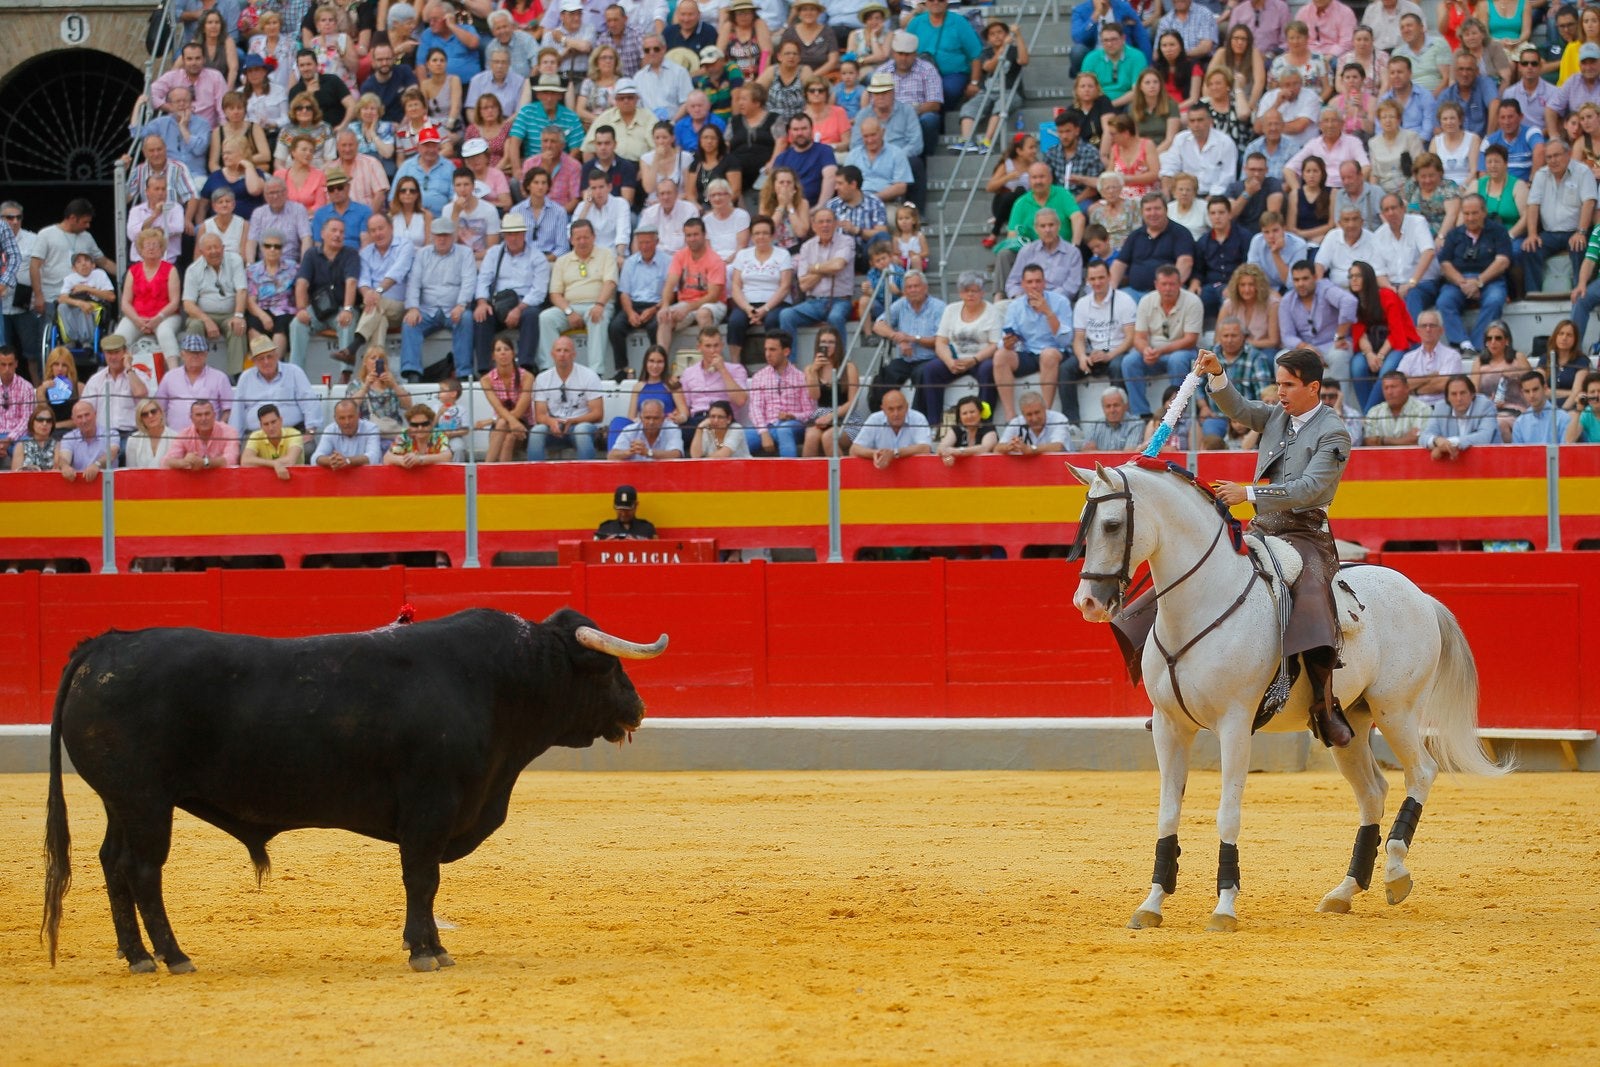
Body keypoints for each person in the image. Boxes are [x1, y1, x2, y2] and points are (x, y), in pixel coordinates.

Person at [1197, 345, 1354, 748]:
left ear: (1313, 387)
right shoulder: (1277, 415)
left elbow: (1310, 488)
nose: (1279, 392)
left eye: (1288, 385)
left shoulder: (1333, 431)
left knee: (1312, 593)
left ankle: (1323, 702)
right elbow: (1240, 409)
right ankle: (1177, 686)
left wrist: (1248, 492)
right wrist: (1217, 373)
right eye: (1278, 383)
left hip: (1306, 533)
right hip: (1264, 527)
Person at [1420, 194, 1511, 354]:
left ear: (1484, 212)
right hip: (1458, 281)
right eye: (1466, 213)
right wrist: (1463, 283)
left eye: (1474, 213)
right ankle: (1463, 343)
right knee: (1444, 302)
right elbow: (1445, 263)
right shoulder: (1454, 234)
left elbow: (1502, 261)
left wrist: (1478, 281)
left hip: (1490, 280)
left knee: (1495, 299)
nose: (1470, 218)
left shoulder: (1498, 231)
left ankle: (1479, 345)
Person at [988, 264, 1072, 423]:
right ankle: (1010, 417)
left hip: (1055, 351)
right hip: (1028, 352)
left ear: (1044, 283)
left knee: (1048, 354)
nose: (1034, 285)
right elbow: (1007, 337)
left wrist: (1047, 312)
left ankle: (1046, 414)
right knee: (1000, 356)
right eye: (1030, 282)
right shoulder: (1015, 306)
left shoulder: (1060, 302)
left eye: (1038, 281)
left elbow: (1066, 340)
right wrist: (1008, 344)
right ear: (1023, 284)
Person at [400, 216, 478, 381]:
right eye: (438, 235)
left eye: (446, 235)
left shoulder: (465, 253)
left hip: (454, 308)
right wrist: (413, 307)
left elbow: (469, 281)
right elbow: (413, 283)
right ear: (432, 236)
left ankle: (463, 373)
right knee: (409, 322)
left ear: (454, 236)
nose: (442, 239)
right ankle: (412, 372)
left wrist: (462, 304)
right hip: (428, 309)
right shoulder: (422, 254)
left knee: (466, 318)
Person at [471, 215, 548, 375]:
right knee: (481, 315)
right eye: (510, 234)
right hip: (499, 304)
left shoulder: (537, 257)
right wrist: (482, 302)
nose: (513, 238)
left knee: (532, 315)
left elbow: (539, 291)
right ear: (504, 235)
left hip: (525, 304)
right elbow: (483, 280)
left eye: (517, 233)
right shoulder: (493, 253)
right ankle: (484, 370)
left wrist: (519, 309)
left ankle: (526, 367)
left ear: (524, 234)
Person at [1124, 265, 1201, 422]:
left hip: (1183, 351)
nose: (1168, 289)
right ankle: (1142, 415)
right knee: (1129, 361)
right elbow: (1138, 337)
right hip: (1154, 353)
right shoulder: (1146, 301)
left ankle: (1178, 412)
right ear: (1156, 285)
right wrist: (1146, 350)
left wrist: (1160, 351)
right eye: (1164, 284)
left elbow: (1190, 339)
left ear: (1180, 284)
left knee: (1177, 359)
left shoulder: (1193, 301)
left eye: (1172, 284)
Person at [1065, 260, 1138, 427]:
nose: (1097, 283)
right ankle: (1072, 423)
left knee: (1118, 366)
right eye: (1093, 279)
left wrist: (1110, 355)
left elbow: (1130, 337)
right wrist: (1082, 357)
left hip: (1118, 351)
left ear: (1109, 277)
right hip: (1093, 353)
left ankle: (1121, 420)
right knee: (1065, 369)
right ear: (1087, 281)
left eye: (1101, 278)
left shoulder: (1125, 300)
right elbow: (1078, 338)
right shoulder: (1082, 304)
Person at [539, 219, 618, 372]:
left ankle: (597, 371)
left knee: (596, 316)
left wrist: (599, 305)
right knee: (546, 318)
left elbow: (610, 283)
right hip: (571, 306)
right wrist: (569, 312)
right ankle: (549, 369)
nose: (582, 242)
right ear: (571, 240)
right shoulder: (562, 261)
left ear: (594, 237)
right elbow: (555, 294)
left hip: (598, 304)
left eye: (586, 237)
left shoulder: (606, 255)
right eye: (578, 238)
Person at [1521, 139, 1597, 295]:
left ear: (1568, 154)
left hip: (1575, 231)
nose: (1553, 160)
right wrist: (1532, 234)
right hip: (1550, 233)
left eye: (1557, 155)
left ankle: (1579, 292)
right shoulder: (1541, 175)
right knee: (1530, 249)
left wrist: (1581, 232)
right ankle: (1534, 295)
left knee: (1579, 246)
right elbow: (1533, 205)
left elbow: (1589, 203)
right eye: (1549, 157)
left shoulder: (1583, 171)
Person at [869, 269, 947, 416]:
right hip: (906, 359)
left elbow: (940, 339)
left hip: (931, 359)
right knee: (889, 371)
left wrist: (912, 339)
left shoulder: (939, 307)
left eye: (916, 286)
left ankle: (920, 420)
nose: (913, 290)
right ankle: (882, 416)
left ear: (925, 287)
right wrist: (897, 336)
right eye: (909, 287)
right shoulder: (901, 304)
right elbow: (878, 324)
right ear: (904, 290)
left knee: (923, 373)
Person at [289, 217, 360, 368]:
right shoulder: (311, 254)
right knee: (297, 324)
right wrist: (301, 309)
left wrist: (347, 309)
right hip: (318, 309)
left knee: (347, 323)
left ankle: (345, 375)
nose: (338, 235)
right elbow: (301, 283)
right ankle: (296, 374)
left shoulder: (351, 254)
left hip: (341, 308)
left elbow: (351, 282)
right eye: (334, 230)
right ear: (322, 233)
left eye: (341, 232)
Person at [1347, 260, 1419, 410]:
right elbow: (1359, 333)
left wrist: (1379, 356)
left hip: (1397, 343)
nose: (1353, 279)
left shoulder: (1387, 295)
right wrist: (1369, 355)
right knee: (1357, 366)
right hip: (1371, 346)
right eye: (1351, 276)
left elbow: (1397, 331)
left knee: (1386, 372)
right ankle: (1370, 415)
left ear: (1368, 278)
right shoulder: (1352, 301)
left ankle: (1367, 416)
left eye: (1358, 275)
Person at [528, 335, 607, 461]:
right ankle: (535, 477)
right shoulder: (542, 378)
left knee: (581, 431)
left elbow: (598, 414)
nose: (562, 354)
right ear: (552, 354)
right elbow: (540, 415)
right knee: (537, 431)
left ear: (574, 354)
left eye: (566, 350)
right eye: (558, 350)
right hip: (553, 428)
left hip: (580, 426)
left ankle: (588, 476)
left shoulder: (589, 376)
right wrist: (551, 422)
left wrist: (572, 421)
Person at [778, 208, 854, 338]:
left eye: (829, 221)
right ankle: (791, 359)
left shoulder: (846, 241)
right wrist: (827, 270)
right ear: (814, 226)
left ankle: (840, 358)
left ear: (836, 223)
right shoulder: (807, 246)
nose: (825, 225)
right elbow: (803, 285)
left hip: (840, 301)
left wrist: (814, 268)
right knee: (786, 315)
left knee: (835, 317)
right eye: (821, 222)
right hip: (813, 302)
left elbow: (838, 265)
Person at [183, 233, 250, 376]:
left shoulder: (235, 260)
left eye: (217, 247)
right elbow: (188, 304)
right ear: (201, 252)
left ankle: (237, 375)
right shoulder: (193, 270)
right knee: (194, 325)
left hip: (230, 314)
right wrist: (206, 320)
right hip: (203, 315)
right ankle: (194, 371)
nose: (214, 251)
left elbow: (242, 290)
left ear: (223, 247)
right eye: (209, 248)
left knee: (238, 326)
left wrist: (238, 315)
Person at [725, 216, 794, 351]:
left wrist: (765, 309)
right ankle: (736, 366)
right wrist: (747, 309)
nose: (760, 237)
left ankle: (773, 364)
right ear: (751, 236)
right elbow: (736, 286)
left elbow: (785, 286)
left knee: (772, 320)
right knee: (735, 321)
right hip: (748, 302)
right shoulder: (743, 255)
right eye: (757, 233)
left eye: (765, 233)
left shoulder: (783, 254)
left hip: (776, 303)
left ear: (772, 235)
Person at [232, 335, 322, 436]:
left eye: (269, 356)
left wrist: (310, 432)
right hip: (257, 436)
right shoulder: (246, 377)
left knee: (308, 447)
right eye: (261, 358)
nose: (266, 362)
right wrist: (234, 441)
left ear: (276, 355)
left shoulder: (294, 371)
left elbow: (310, 402)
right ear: (254, 362)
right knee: (244, 451)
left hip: (292, 433)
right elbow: (237, 412)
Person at [1111, 194, 1195, 301]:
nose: (1153, 213)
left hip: (1167, 293)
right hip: (1134, 292)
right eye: (1148, 209)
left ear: (1166, 210)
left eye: (1157, 209)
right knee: (1118, 303)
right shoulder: (1135, 235)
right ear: (1142, 213)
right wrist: (1111, 289)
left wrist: (1168, 288)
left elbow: (1185, 262)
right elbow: (1119, 263)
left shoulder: (1181, 233)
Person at [611, 224, 671, 372]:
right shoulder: (630, 262)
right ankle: (622, 370)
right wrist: (630, 312)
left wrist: (653, 309)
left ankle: (655, 370)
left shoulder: (668, 261)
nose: (644, 246)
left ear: (656, 242)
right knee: (615, 327)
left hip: (656, 305)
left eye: (648, 242)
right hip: (634, 305)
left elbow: (670, 294)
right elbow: (624, 293)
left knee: (654, 327)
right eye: (641, 243)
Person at [80, 336, 153, 457]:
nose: (113, 357)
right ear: (104, 354)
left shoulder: (138, 375)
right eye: (109, 353)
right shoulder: (96, 380)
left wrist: (129, 368)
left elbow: (140, 392)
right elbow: (85, 409)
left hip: (131, 434)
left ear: (125, 352)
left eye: (116, 352)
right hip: (103, 436)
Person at [155, 334, 233, 432]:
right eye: (191, 352)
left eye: (199, 353)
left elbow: (229, 409)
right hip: (175, 437)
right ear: (183, 354)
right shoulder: (169, 377)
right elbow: (159, 407)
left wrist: (218, 429)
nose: (195, 356)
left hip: (209, 438)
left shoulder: (220, 377)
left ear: (206, 354)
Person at [477, 335, 535, 463]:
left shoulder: (527, 377)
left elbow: (521, 410)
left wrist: (511, 423)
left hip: (522, 423)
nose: (503, 353)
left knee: (507, 432)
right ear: (493, 356)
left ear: (513, 353)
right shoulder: (486, 380)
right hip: (502, 424)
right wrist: (511, 422)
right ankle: (494, 472)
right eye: (498, 350)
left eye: (506, 349)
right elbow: (497, 407)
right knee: (504, 429)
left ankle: (486, 468)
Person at [1394, 309, 1465, 407]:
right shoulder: (1408, 358)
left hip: (1441, 408)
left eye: (1432, 325)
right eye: (1424, 326)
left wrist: (1415, 390)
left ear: (1441, 330)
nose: (1428, 329)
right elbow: (1400, 385)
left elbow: (1445, 384)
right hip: (1414, 410)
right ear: (1417, 331)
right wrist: (1430, 377)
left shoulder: (1452, 356)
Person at [849, 387, 931, 468]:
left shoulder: (918, 418)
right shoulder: (874, 419)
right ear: (883, 410)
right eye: (891, 409)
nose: (896, 413)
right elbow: (854, 450)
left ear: (907, 407)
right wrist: (876, 454)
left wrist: (895, 453)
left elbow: (925, 448)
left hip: (914, 472)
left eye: (900, 408)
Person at [1419, 375, 1499, 458]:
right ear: (1447, 397)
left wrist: (1447, 444)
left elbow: (1484, 437)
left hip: (1487, 460)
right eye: (1454, 394)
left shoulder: (1485, 406)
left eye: (1463, 393)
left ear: (1472, 394)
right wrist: (1436, 441)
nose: (1459, 398)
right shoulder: (1441, 407)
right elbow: (1423, 437)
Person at [1315, 205, 1382, 288]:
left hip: (1364, 290)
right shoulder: (1332, 236)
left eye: (1355, 219)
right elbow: (1320, 264)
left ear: (1362, 222)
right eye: (1346, 220)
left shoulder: (1373, 239)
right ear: (1340, 223)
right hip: (1336, 290)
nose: (1351, 224)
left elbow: (1378, 271)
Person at [163, 398, 240, 470]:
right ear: (191, 418)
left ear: (214, 415)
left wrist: (205, 462)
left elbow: (231, 459)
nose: (203, 419)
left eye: (207, 414)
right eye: (198, 415)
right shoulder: (184, 434)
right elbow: (166, 462)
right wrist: (183, 463)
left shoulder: (229, 432)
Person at [1363, 369, 1433, 445]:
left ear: (1407, 388)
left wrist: (1382, 440)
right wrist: (1404, 440)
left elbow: (1420, 440)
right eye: (1386, 388)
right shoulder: (1374, 412)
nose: (1389, 392)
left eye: (1393, 387)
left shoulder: (1423, 409)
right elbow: (1370, 442)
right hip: (1382, 457)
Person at [313, 397, 383, 468]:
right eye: (342, 418)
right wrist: (331, 461)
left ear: (358, 415)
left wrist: (348, 461)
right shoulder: (330, 429)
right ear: (335, 419)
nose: (347, 422)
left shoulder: (371, 428)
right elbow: (315, 458)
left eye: (351, 417)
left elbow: (374, 457)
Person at [241, 403, 305, 479]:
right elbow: (245, 461)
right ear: (261, 426)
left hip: (295, 481)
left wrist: (272, 464)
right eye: (266, 424)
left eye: (273, 422)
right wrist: (274, 464)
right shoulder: (256, 436)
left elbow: (290, 461)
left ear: (280, 420)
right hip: (265, 482)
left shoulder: (294, 434)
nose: (271, 428)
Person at [996, 391, 1071, 456]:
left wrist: (1030, 449)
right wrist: (1010, 446)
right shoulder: (1016, 422)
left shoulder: (1059, 419)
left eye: (1037, 412)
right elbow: (997, 449)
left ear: (1045, 409)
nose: (1034, 419)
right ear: (1023, 414)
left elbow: (1058, 447)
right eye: (1029, 414)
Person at [608, 397, 685, 460]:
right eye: (647, 418)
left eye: (656, 418)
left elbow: (676, 454)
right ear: (640, 418)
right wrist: (629, 452)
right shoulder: (630, 429)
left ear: (663, 418)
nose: (651, 422)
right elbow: (611, 456)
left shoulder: (672, 429)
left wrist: (648, 452)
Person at [56, 400, 113, 480]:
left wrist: (97, 465)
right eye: (79, 417)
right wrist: (65, 466)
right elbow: (64, 458)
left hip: (106, 485)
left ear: (95, 414)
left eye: (87, 415)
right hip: (78, 487)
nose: (84, 420)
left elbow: (112, 454)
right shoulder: (68, 437)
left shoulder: (111, 434)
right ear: (73, 420)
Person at [1512, 370, 1573, 442]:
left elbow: (1565, 451)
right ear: (1522, 393)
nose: (1531, 395)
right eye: (1527, 391)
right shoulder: (1519, 423)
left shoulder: (1563, 419)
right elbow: (1518, 453)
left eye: (1535, 389)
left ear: (1545, 388)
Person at [1081, 386, 1147, 452]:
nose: (1112, 410)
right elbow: (1086, 451)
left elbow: (1128, 454)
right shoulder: (1095, 426)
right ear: (1103, 408)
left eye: (1116, 405)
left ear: (1126, 406)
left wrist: (1098, 453)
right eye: (1108, 406)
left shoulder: (1136, 424)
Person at [125, 398, 176, 469]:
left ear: (161, 413)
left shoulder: (176, 437)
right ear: (141, 419)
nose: (150, 416)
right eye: (145, 414)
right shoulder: (133, 440)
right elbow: (131, 472)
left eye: (153, 411)